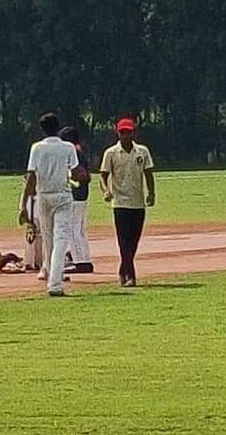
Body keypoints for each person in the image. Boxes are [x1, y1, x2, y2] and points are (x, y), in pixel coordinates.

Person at [23, 111, 81, 297]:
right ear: (58, 128)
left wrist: (24, 204)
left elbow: (31, 176)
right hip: (62, 195)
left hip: (43, 196)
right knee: (61, 240)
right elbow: (77, 172)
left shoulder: (37, 148)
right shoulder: (68, 147)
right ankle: (55, 283)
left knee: (48, 238)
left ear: (42, 129)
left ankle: (47, 271)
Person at [98, 117, 157, 287]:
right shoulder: (111, 153)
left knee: (134, 240)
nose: (125, 135)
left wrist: (151, 193)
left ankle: (123, 269)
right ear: (118, 133)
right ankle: (131, 275)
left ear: (133, 133)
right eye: (122, 132)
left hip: (138, 202)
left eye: (128, 132)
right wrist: (106, 191)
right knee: (123, 240)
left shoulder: (142, 152)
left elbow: (148, 173)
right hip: (120, 202)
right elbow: (103, 176)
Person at [59, 126, 97, 274]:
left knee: (73, 229)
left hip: (75, 194)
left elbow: (80, 175)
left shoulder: (73, 153)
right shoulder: (80, 151)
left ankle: (81, 262)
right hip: (82, 194)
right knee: (80, 228)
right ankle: (84, 258)